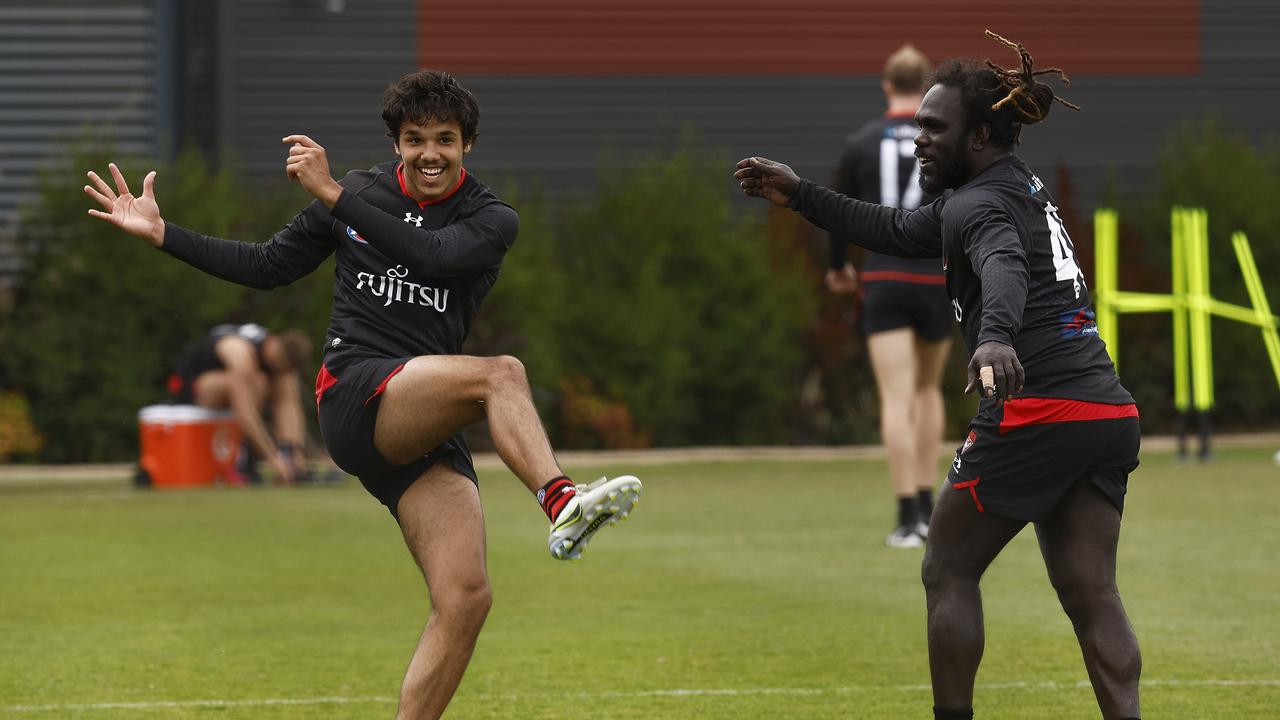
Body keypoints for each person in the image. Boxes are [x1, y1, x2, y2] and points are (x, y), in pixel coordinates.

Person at [85, 69, 642, 720]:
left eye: (445, 139)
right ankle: (562, 501)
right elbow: (266, 267)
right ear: (395, 143)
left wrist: (331, 193)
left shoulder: (493, 218)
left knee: (466, 597)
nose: (430, 152)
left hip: (420, 416)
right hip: (353, 389)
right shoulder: (356, 192)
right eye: (414, 139)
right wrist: (163, 234)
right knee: (501, 374)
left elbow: (431, 255)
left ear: (468, 145)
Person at [736, 31, 1142, 720]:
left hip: (1036, 407)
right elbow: (897, 230)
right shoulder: (1011, 187)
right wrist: (803, 196)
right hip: (1105, 412)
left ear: (980, 135)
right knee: (1091, 592)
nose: (919, 139)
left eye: (933, 128)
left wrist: (994, 340)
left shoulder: (978, 205)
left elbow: (1004, 266)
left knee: (946, 567)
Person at [826, 44, 953, 548]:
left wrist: (837, 268)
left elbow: (836, 208)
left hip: (884, 278)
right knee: (928, 392)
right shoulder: (945, 140)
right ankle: (929, 507)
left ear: (886, 86)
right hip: (936, 278)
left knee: (896, 398)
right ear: (927, 88)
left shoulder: (861, 142)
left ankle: (906, 519)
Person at [168, 322, 313, 484]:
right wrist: (272, 457)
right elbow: (244, 412)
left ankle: (289, 456)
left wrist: (294, 454)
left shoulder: (277, 360)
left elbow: (290, 405)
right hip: (194, 388)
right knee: (257, 382)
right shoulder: (241, 353)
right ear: (275, 346)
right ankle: (243, 459)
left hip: (234, 386)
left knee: (284, 381)